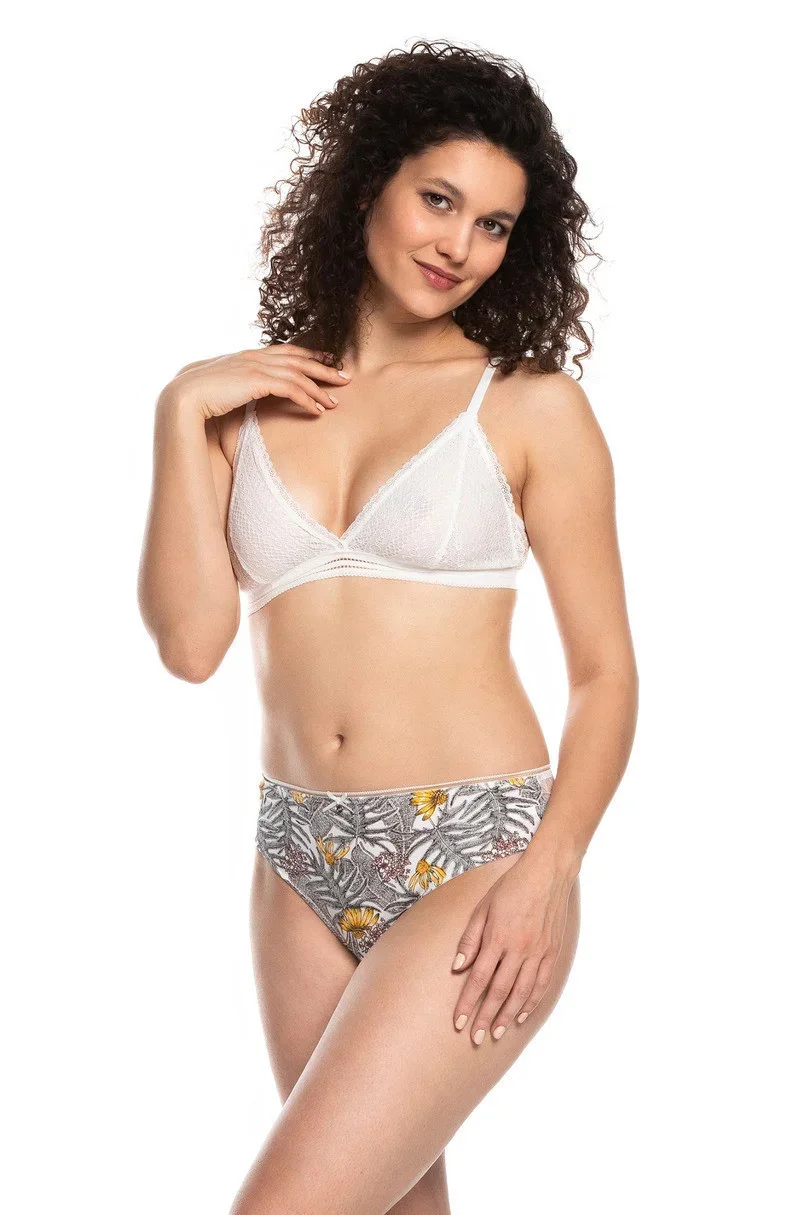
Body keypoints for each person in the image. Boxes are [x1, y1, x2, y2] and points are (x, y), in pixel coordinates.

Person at [138, 38, 639, 1215]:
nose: (459, 245)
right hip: (297, 854)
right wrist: (178, 413)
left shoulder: (528, 405)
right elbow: (191, 647)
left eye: (495, 225)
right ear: (370, 183)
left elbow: (606, 674)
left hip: (477, 850)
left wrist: (549, 870)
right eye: (439, 200)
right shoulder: (243, 410)